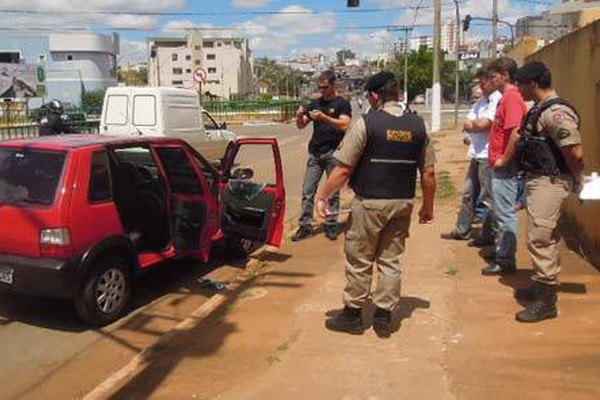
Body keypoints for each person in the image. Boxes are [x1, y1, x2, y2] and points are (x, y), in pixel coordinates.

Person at [315, 71, 436, 338]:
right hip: (403, 202)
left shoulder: (367, 123)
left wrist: (322, 196)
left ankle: (353, 316)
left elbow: (343, 170)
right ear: (399, 95)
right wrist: (428, 207)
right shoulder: (418, 126)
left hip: (370, 203)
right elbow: (428, 173)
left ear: (373, 96)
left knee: (360, 259)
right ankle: (383, 318)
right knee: (390, 260)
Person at [513, 61, 584, 322]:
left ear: (532, 84)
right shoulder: (540, 110)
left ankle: (547, 301)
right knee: (541, 235)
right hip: (539, 180)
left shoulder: (555, 113)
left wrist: (578, 179)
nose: (518, 89)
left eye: (521, 84)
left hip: (550, 182)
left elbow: (574, 151)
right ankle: (542, 285)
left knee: (541, 238)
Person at [441, 71, 501, 246]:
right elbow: (468, 123)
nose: (481, 86)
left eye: (483, 82)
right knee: (469, 193)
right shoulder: (482, 101)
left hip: (488, 154)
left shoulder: (497, 100)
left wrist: (475, 125)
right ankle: (462, 230)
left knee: (489, 197)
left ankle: (489, 235)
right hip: (476, 153)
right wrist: (475, 126)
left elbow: (484, 124)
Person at [481, 57, 528, 276]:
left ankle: (506, 258)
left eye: (493, 76)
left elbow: (516, 132)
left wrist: (504, 159)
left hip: (504, 166)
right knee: (500, 210)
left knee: (505, 212)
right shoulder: (506, 98)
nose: (490, 80)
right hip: (499, 164)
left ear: (505, 76)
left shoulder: (511, 98)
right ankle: (503, 250)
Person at [292, 70, 352, 241]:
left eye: (325, 87)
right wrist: (299, 116)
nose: (322, 90)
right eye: (320, 87)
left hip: (334, 152)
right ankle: (305, 225)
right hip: (316, 153)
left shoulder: (342, 104)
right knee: (307, 190)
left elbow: (345, 125)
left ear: (333, 85)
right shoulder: (315, 103)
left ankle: (331, 224)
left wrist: (324, 117)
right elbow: (301, 125)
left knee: (332, 192)